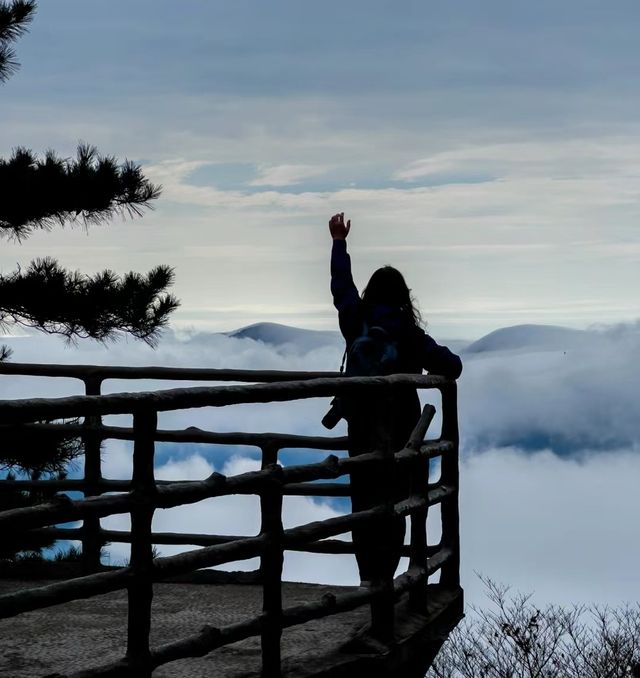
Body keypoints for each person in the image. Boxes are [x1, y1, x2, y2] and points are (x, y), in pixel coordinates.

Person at [328, 211, 462, 586]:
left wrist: (339, 242)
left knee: (363, 503)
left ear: (370, 293)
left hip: (361, 426)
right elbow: (452, 366)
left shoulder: (356, 320)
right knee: (397, 505)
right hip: (404, 428)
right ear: (404, 297)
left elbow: (341, 288)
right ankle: (388, 582)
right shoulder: (408, 332)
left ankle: (368, 580)